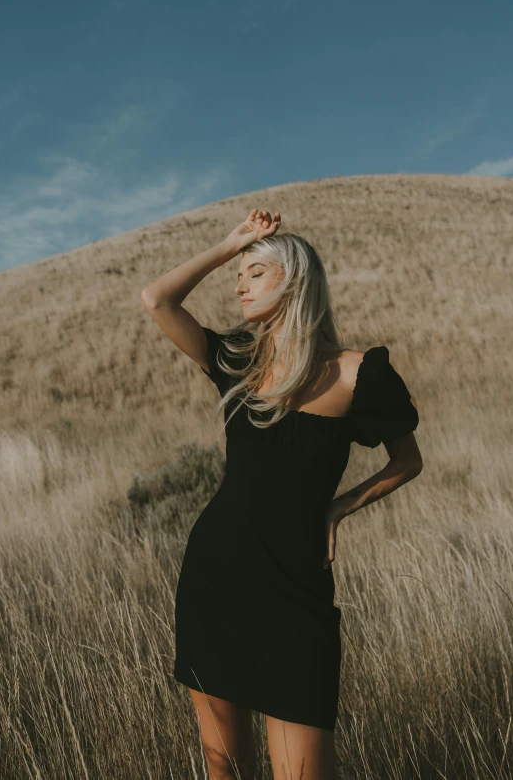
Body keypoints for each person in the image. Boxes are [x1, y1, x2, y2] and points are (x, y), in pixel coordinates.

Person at [141, 209, 423, 780]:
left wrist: (341, 507)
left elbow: (407, 460)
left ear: (294, 281)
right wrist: (233, 244)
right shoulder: (238, 364)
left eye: (256, 272)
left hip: (297, 595)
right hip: (216, 580)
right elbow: (157, 300)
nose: (240, 284)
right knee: (226, 767)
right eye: (237, 275)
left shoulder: (359, 375)